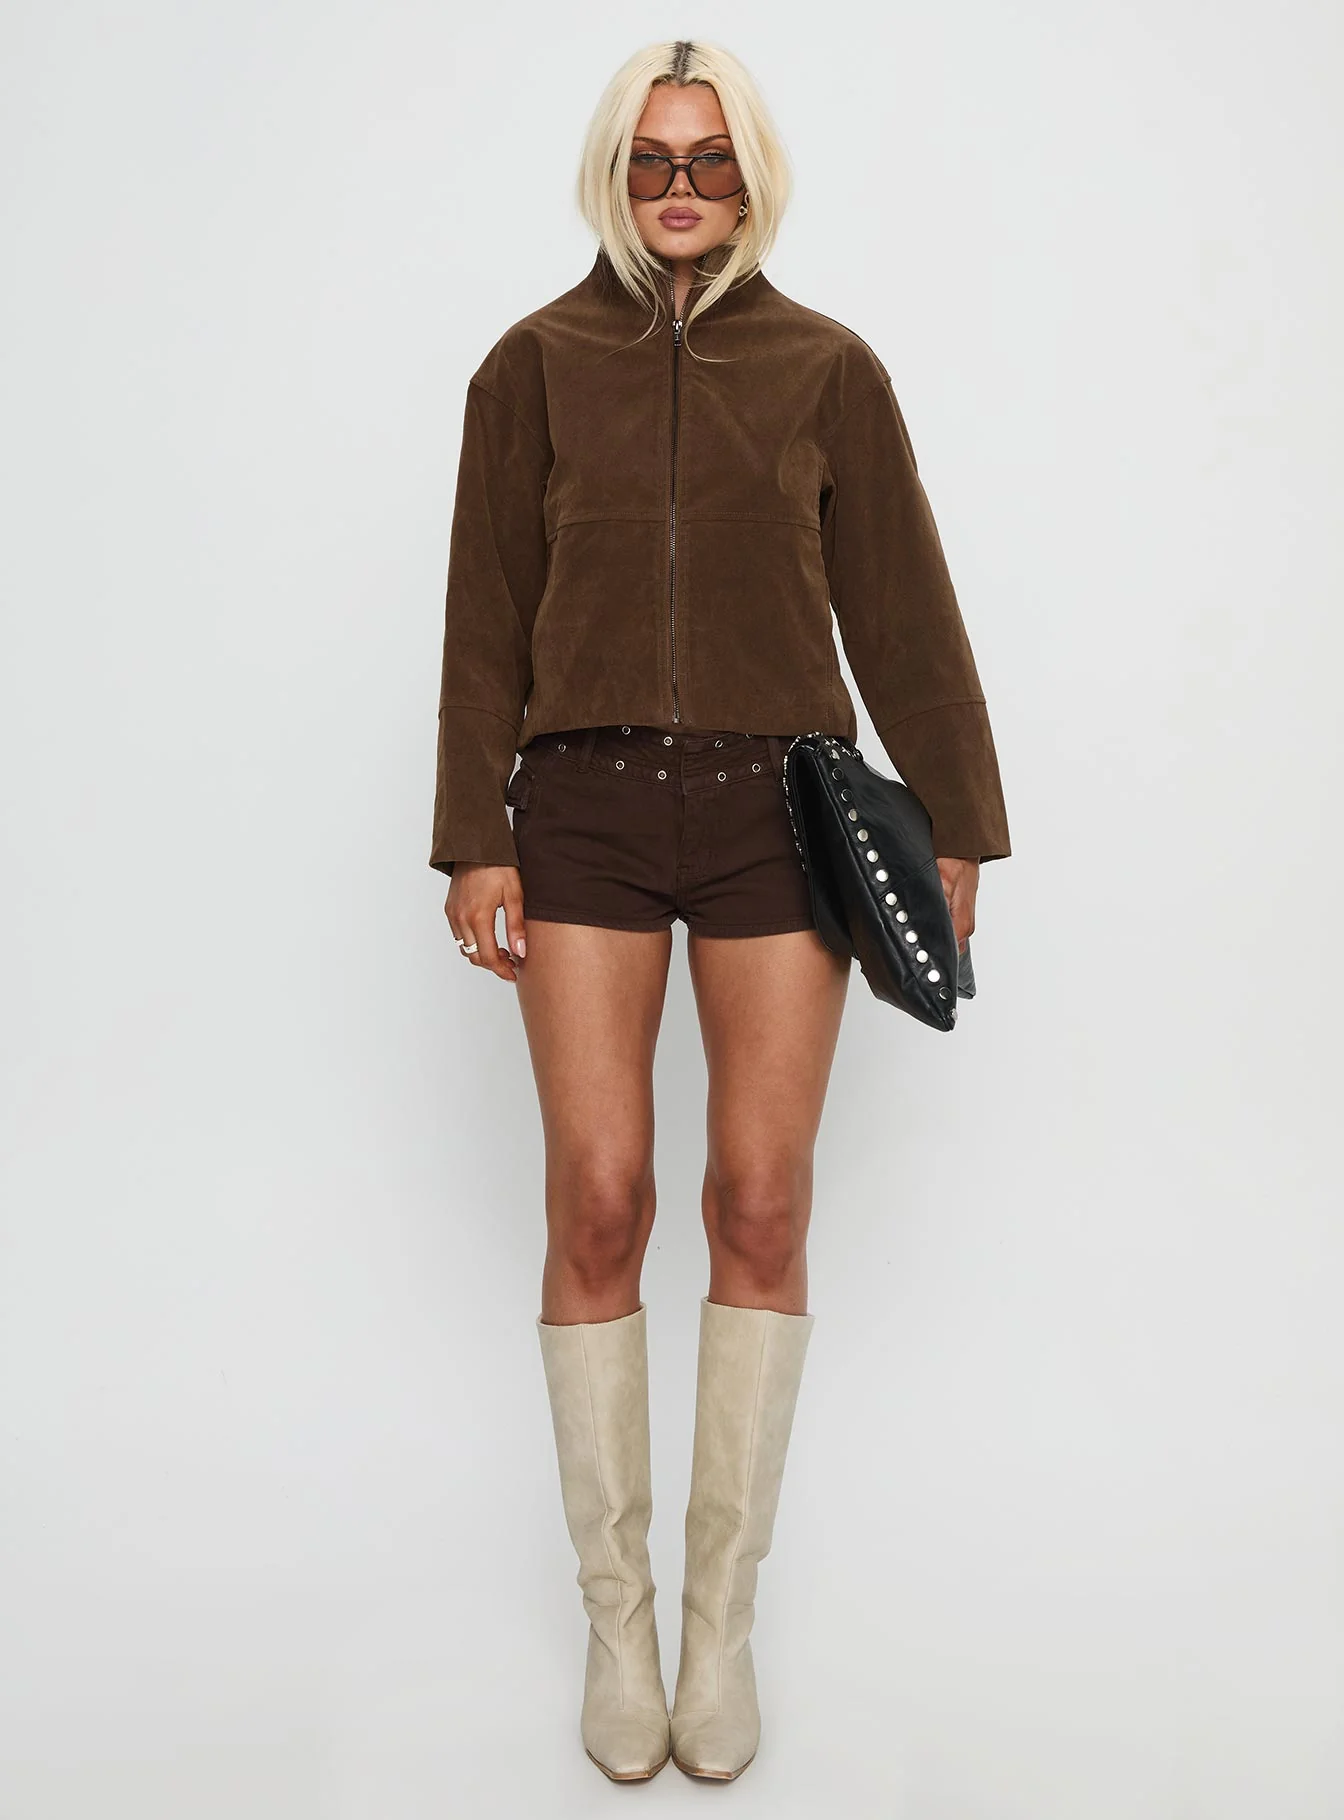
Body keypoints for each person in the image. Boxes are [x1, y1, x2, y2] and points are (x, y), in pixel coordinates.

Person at [428, 38, 1011, 1783]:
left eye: (711, 161)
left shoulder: (827, 368)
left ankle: (719, 1626)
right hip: (584, 810)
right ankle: (620, 1627)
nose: (680, 187)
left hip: (777, 812)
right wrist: (473, 835)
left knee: (759, 1194)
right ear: (613, 174)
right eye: (652, 159)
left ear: (752, 178)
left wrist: (961, 818)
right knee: (599, 1195)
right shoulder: (530, 367)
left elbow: (902, 601)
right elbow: (483, 611)